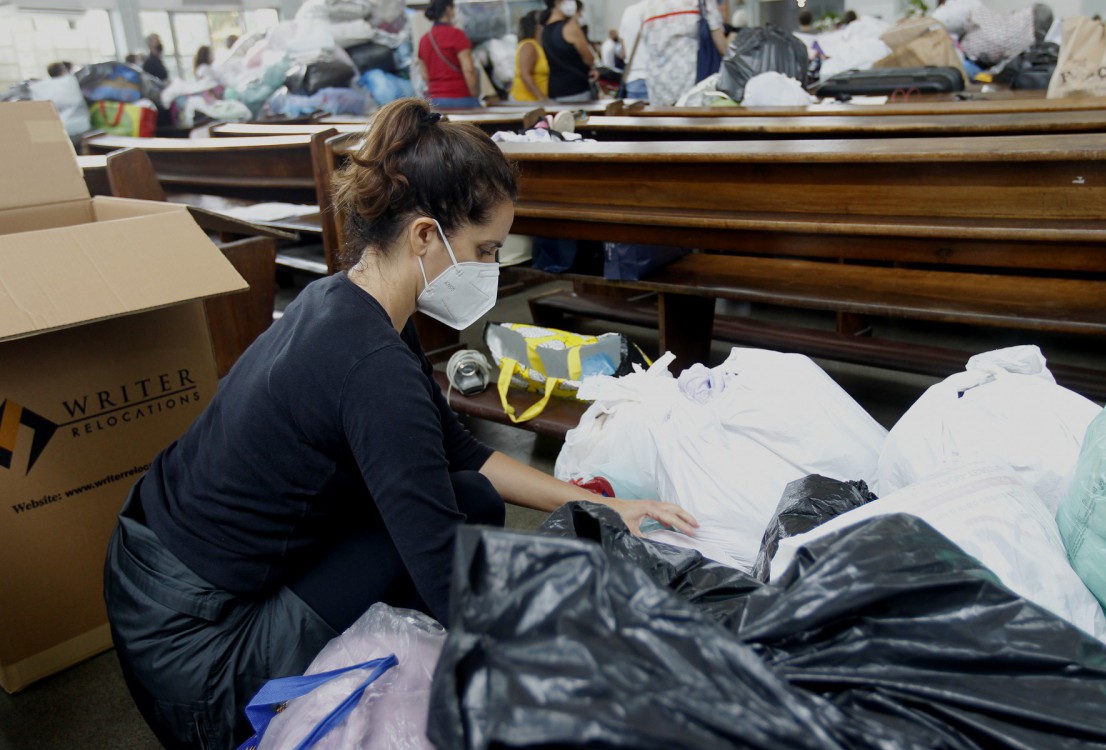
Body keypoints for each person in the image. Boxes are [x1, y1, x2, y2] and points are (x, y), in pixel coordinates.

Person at [103, 97, 699, 750]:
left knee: (468, 498)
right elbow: (449, 576)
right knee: (464, 552)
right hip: (204, 659)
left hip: (155, 584)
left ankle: (403, 662)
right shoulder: (370, 367)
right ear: (423, 235)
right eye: (486, 249)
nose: (492, 270)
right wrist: (618, 668)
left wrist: (606, 505)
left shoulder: (348, 301)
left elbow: (459, 453)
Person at [640, 0, 728, 105]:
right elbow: (722, 47)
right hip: (692, 86)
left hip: (658, 87)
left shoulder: (647, 6)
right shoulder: (702, 2)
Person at [417, 0, 480, 108]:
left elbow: (424, 76)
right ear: (448, 9)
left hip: (435, 101)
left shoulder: (424, 39)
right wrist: (474, 95)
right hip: (461, 98)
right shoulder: (457, 35)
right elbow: (468, 70)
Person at [542, 0, 595, 102]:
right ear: (557, 2)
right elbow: (589, 59)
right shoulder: (570, 27)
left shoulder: (544, 30)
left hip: (554, 90)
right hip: (576, 89)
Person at [512, 10, 551, 101]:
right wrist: (541, 97)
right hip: (526, 100)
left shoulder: (538, 46)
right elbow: (525, 75)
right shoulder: (529, 46)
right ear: (538, 27)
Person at [618, 0, 650, 100]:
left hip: (633, 79)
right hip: (658, 80)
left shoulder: (629, 11)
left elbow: (623, 53)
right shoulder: (661, 10)